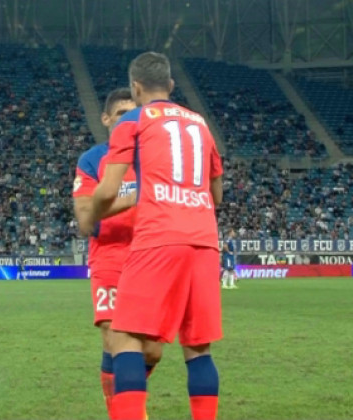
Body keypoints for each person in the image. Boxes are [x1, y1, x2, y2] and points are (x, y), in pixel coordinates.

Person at [91, 52, 223, 420]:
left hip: (158, 238)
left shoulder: (131, 121)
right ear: (171, 86)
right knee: (198, 348)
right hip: (204, 241)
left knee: (126, 339)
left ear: (135, 88)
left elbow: (107, 190)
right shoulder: (200, 123)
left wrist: (93, 216)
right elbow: (217, 195)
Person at [74, 88, 162, 418]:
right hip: (109, 255)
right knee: (115, 340)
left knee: (152, 351)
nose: (129, 119)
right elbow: (85, 219)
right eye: (122, 113)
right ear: (107, 119)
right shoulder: (93, 160)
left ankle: (126, 399)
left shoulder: (153, 157)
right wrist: (136, 196)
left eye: (134, 112)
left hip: (150, 257)